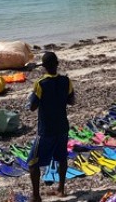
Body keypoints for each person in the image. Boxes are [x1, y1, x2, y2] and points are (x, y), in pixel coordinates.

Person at [27, 52, 75, 202]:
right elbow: (71, 101)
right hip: (62, 127)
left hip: (46, 129)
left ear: (44, 66)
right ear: (57, 63)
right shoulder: (66, 81)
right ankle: (61, 189)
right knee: (62, 158)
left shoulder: (40, 84)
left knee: (33, 162)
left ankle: (36, 196)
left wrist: (31, 97)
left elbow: (33, 107)